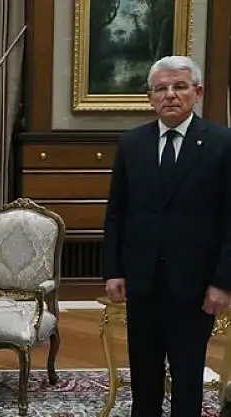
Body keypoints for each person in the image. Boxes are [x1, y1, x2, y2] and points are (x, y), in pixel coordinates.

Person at [102, 55, 231, 417]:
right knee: (144, 373)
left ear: (197, 92)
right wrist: (113, 270)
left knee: (187, 374)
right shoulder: (132, 143)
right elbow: (116, 213)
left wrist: (223, 282)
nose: (170, 95)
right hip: (142, 280)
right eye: (161, 88)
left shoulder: (222, 143)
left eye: (180, 87)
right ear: (150, 97)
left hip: (195, 283)